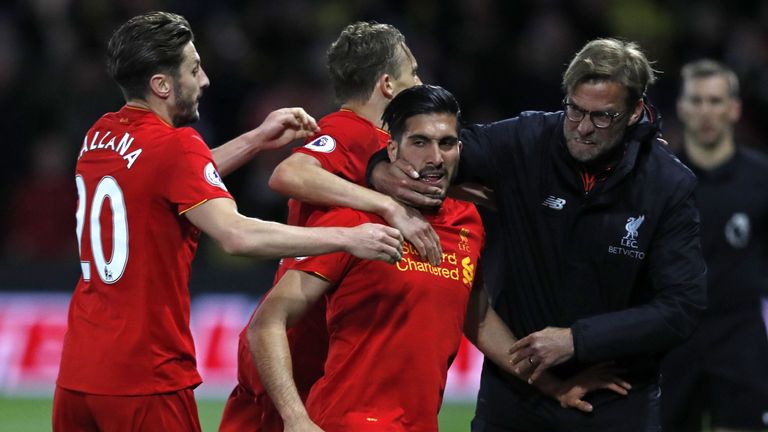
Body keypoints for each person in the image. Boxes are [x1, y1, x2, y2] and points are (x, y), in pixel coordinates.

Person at [52, 12, 404, 432]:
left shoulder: (100, 135)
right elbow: (235, 234)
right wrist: (347, 237)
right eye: (194, 69)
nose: (204, 81)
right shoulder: (177, 146)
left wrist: (255, 139)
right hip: (145, 375)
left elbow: (167, 181)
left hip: (77, 375)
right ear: (162, 85)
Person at [250, 85, 632, 432]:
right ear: (393, 149)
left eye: (447, 143)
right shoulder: (355, 219)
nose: (435, 157)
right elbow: (267, 323)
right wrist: (296, 419)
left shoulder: (467, 221)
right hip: (347, 422)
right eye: (420, 142)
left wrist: (553, 385)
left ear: (461, 149)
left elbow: (476, 317)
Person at [370, 39, 707, 431]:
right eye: (575, 110)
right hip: (518, 390)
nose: (582, 128)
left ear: (634, 112)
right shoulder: (526, 139)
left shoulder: (668, 184)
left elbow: (682, 307)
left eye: (602, 117)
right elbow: (432, 155)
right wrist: (381, 171)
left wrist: (576, 340)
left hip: (616, 395)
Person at [218, 21, 430, 431]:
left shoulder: (383, 142)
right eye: (413, 74)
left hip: (319, 343)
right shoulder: (348, 129)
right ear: (387, 84)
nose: (420, 84)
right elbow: (288, 174)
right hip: (291, 346)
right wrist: (387, 204)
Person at [661, 59, 768, 432]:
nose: (706, 111)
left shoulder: (761, 178)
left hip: (739, 339)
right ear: (682, 107)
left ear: (734, 108)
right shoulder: (660, 178)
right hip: (672, 340)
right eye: (698, 100)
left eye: (716, 100)